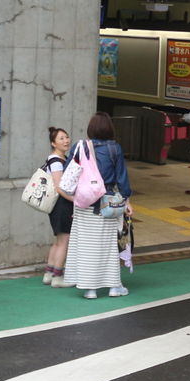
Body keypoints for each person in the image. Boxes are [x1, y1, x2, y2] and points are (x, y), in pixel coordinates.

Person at [63, 112, 133, 299]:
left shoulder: (79, 146)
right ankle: (113, 286)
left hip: (83, 203)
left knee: (86, 246)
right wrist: (126, 200)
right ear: (110, 128)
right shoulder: (114, 148)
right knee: (108, 246)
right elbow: (122, 179)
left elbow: (69, 172)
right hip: (106, 203)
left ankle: (90, 289)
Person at [42, 126, 74, 287]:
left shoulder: (59, 159)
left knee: (59, 240)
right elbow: (59, 187)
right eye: (61, 138)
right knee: (64, 241)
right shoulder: (56, 161)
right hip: (61, 205)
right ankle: (58, 277)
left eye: (66, 137)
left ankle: (49, 273)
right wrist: (76, 200)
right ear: (53, 143)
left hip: (57, 205)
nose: (66, 140)